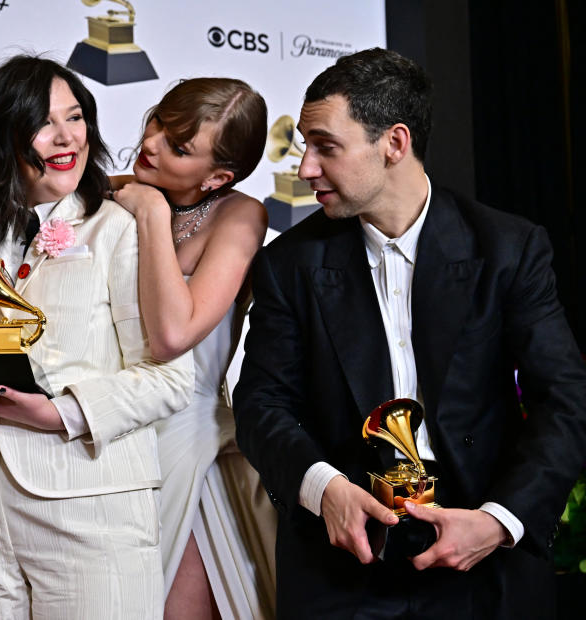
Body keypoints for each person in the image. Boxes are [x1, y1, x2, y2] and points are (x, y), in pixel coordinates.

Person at [232, 47, 586, 619]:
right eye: (305, 147)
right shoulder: (288, 264)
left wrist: (498, 522)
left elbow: (566, 400)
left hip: (482, 557)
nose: (305, 169)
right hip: (343, 559)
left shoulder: (509, 248)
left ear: (394, 144)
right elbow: (260, 403)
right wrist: (324, 490)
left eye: (326, 146)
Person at [0, 55, 194, 618]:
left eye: (76, 116)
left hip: (90, 496)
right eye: (43, 122)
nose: (66, 138)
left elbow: (170, 378)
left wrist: (60, 414)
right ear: (1, 136)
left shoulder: (118, 228)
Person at [111, 77, 275, 619]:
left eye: (179, 147)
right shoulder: (113, 189)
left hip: (187, 435)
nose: (152, 143)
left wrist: (152, 214)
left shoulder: (240, 215)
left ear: (218, 176)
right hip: (106, 424)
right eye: (158, 121)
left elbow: (174, 335)